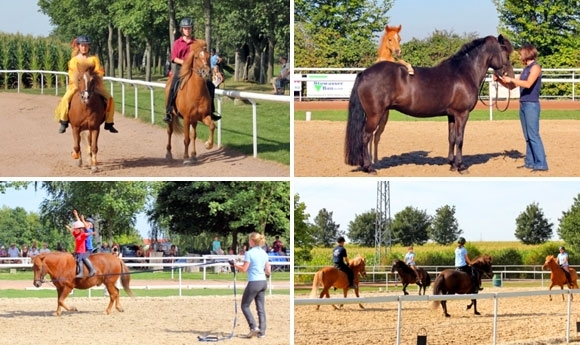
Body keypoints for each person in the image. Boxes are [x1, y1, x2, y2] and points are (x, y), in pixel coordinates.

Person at [494, 43, 548, 171]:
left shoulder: (535, 68)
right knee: (527, 136)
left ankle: (541, 163)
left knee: (533, 135)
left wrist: (511, 80)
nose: (519, 57)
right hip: (523, 104)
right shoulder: (525, 70)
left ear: (526, 54)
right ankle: (530, 162)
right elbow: (512, 86)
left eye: (520, 54)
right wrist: (501, 80)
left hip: (531, 105)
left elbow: (528, 84)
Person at [55, 35, 118, 134]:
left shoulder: (94, 59)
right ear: (79, 46)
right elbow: (71, 74)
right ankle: (64, 121)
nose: (84, 47)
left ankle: (109, 122)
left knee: (110, 98)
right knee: (65, 99)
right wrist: (79, 82)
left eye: (86, 45)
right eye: (82, 45)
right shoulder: (74, 60)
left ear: (89, 47)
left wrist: (95, 78)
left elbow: (99, 71)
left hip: (93, 85)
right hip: (76, 85)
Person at [164, 17, 221, 123]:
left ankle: (211, 110)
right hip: (181, 69)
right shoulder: (178, 42)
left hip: (195, 70)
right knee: (173, 85)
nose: (187, 30)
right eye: (185, 28)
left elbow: (202, 55)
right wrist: (185, 63)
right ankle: (169, 111)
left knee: (210, 85)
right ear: (182, 29)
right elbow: (174, 58)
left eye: (189, 28)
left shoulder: (196, 43)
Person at [232, 232, 271, 339]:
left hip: (254, 282)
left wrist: (235, 265)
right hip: (263, 282)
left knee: (244, 305)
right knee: (261, 308)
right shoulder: (264, 253)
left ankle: (253, 326)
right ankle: (262, 332)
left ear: (252, 241)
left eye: (249, 240)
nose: (248, 242)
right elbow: (268, 271)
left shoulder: (249, 253)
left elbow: (244, 269)